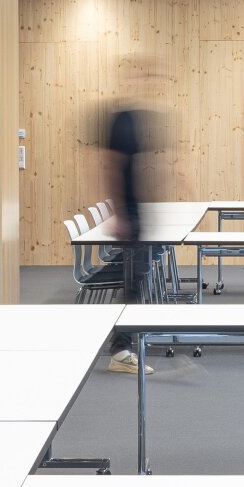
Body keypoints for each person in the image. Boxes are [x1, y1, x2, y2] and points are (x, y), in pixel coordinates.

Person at [95, 58, 166, 374]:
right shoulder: (121, 120)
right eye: (146, 76)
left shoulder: (139, 119)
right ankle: (120, 350)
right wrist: (118, 213)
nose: (151, 82)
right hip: (130, 216)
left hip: (139, 213)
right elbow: (109, 166)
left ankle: (125, 344)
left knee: (137, 282)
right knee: (133, 283)